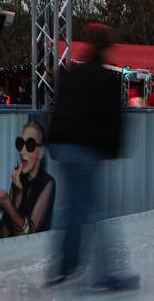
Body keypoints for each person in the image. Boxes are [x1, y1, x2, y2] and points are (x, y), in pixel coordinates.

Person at [46, 23, 139, 291]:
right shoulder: (107, 79)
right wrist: (109, 152)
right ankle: (103, 275)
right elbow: (112, 120)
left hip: (63, 145)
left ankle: (63, 268)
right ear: (106, 48)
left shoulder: (71, 74)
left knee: (72, 209)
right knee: (93, 211)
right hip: (83, 149)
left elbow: (59, 109)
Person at [0, 121, 55, 237]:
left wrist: (7, 203)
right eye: (20, 144)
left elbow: (30, 233)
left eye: (29, 145)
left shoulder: (48, 182)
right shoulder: (18, 179)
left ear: (41, 152)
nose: (22, 152)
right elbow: (4, 233)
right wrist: (15, 198)